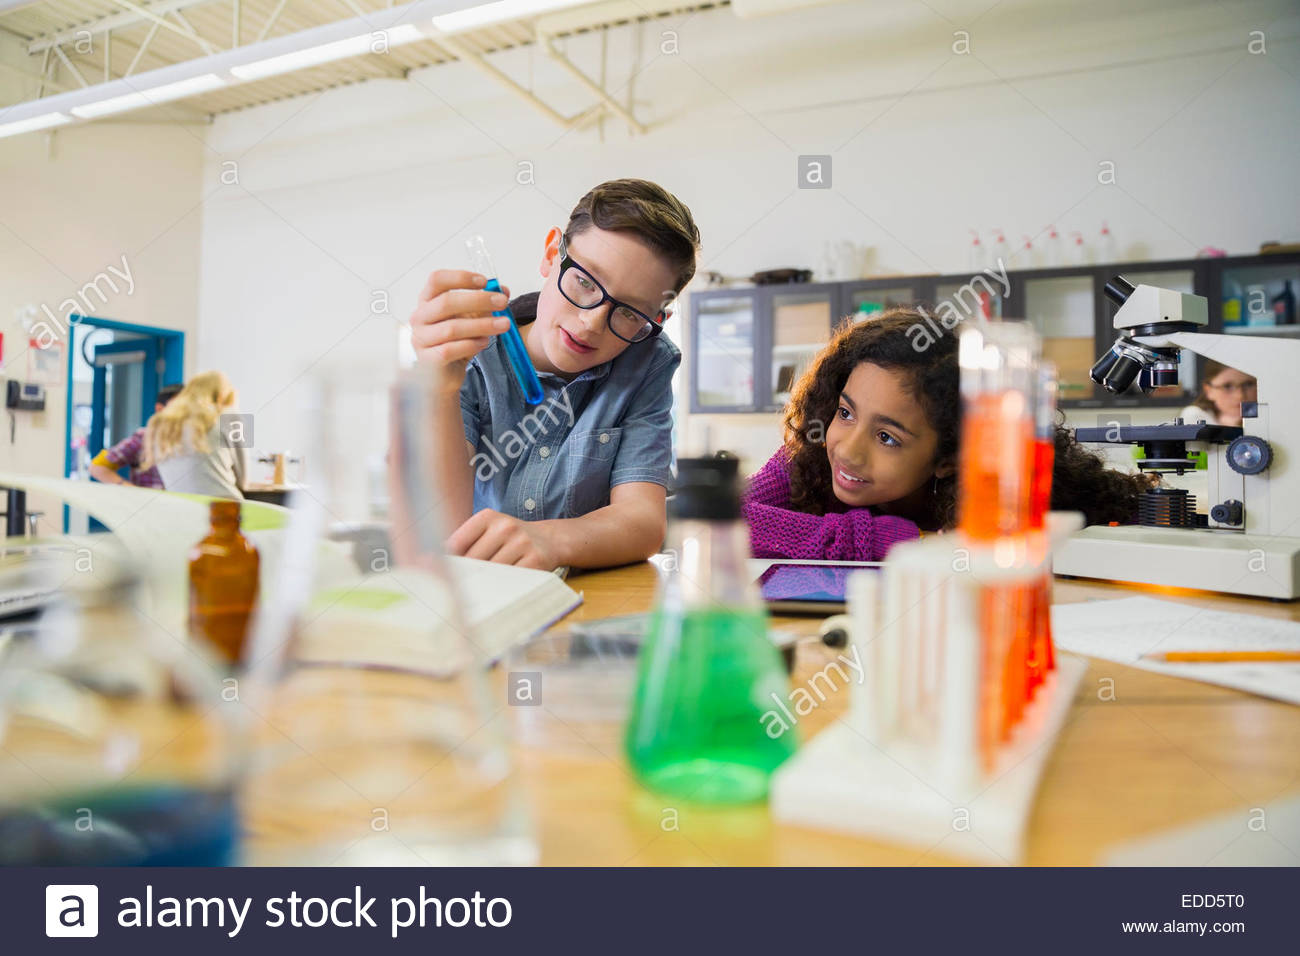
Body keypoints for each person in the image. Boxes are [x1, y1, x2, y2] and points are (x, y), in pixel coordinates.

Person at [408, 179, 700, 571]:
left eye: (630, 312)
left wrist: (548, 540)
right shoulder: (469, 354)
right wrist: (439, 392)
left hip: (593, 600)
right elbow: (440, 524)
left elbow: (643, 523)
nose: (591, 322)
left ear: (656, 318)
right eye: (584, 281)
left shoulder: (646, 363)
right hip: (487, 597)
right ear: (551, 254)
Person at [744, 310, 1154, 561]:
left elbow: (1133, 526)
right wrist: (893, 541)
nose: (848, 451)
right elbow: (716, 517)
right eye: (846, 413)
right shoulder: (810, 458)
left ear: (949, 457)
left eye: (887, 437)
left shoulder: (1002, 488)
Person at [142, 371, 247, 500]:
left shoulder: (159, 423)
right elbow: (244, 480)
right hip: (223, 508)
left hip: (181, 507)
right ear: (221, 396)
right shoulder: (230, 415)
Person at [89, 384, 182, 488]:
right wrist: (131, 489)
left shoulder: (195, 441)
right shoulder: (143, 438)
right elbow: (97, 467)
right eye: (180, 407)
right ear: (159, 409)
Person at [1179, 359, 1256, 427]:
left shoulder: (1266, 416)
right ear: (1209, 391)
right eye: (1227, 386)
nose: (1240, 396)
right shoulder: (1195, 416)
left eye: (1248, 384)